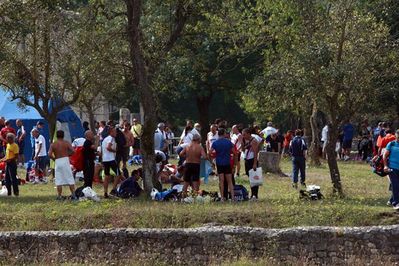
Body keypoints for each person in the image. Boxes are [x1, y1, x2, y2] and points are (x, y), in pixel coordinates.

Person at [48, 130, 76, 200]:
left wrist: (54, 159)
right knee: (69, 177)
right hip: (65, 160)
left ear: (57, 136)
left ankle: (59, 195)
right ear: (63, 135)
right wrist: (68, 155)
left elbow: (49, 154)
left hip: (58, 160)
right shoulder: (66, 143)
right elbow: (73, 151)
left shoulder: (53, 144)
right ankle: (73, 194)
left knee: (59, 179)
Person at [211, 128, 235, 201]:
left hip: (219, 163)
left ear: (218, 134)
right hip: (227, 163)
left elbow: (209, 152)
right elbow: (234, 152)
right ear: (224, 134)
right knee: (230, 181)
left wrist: (212, 161)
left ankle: (222, 197)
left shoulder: (215, 143)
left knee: (221, 181)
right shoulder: (229, 142)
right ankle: (233, 197)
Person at [101, 127, 122, 198]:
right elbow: (108, 147)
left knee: (106, 176)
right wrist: (115, 151)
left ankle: (105, 192)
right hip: (111, 159)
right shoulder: (111, 138)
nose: (116, 133)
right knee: (118, 174)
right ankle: (113, 190)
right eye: (115, 132)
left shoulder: (104, 139)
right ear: (111, 132)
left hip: (105, 160)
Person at [242, 128, 260, 200]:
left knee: (254, 178)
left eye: (244, 134)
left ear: (249, 134)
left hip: (252, 161)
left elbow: (255, 153)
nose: (243, 136)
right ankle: (252, 194)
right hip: (247, 160)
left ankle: (255, 195)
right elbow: (243, 150)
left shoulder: (254, 141)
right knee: (250, 178)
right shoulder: (247, 141)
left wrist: (255, 164)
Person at [384, 129, 399, 210]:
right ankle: (396, 203)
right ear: (395, 136)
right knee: (395, 185)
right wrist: (385, 166)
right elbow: (385, 156)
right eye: (398, 136)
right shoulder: (392, 144)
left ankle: (391, 200)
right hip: (393, 168)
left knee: (397, 186)